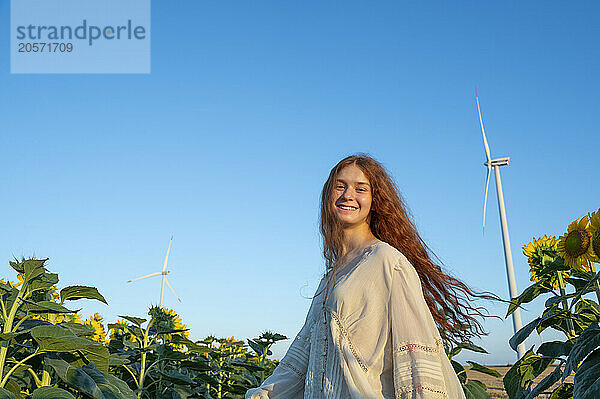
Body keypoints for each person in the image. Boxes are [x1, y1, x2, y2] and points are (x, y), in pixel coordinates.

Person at [246, 154, 492, 399]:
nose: (347, 195)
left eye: (360, 188)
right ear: (327, 197)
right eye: (339, 186)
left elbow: (415, 364)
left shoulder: (387, 262)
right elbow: (300, 365)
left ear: (376, 201)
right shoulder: (329, 278)